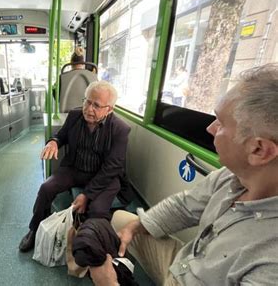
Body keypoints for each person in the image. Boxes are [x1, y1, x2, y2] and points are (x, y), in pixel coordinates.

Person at [97, 63, 278, 285]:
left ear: (259, 150)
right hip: (187, 265)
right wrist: (136, 227)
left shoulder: (272, 262)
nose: (210, 129)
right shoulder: (230, 177)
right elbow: (184, 206)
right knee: (120, 220)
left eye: (220, 123)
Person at [19, 80, 131, 252]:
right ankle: (34, 229)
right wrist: (53, 142)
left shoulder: (119, 129)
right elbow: (60, 135)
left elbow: (113, 167)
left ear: (109, 109)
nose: (88, 108)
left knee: (96, 209)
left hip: (103, 176)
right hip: (75, 168)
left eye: (96, 105)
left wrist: (87, 194)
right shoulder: (74, 116)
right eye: (87, 101)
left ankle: (92, 244)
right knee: (46, 188)